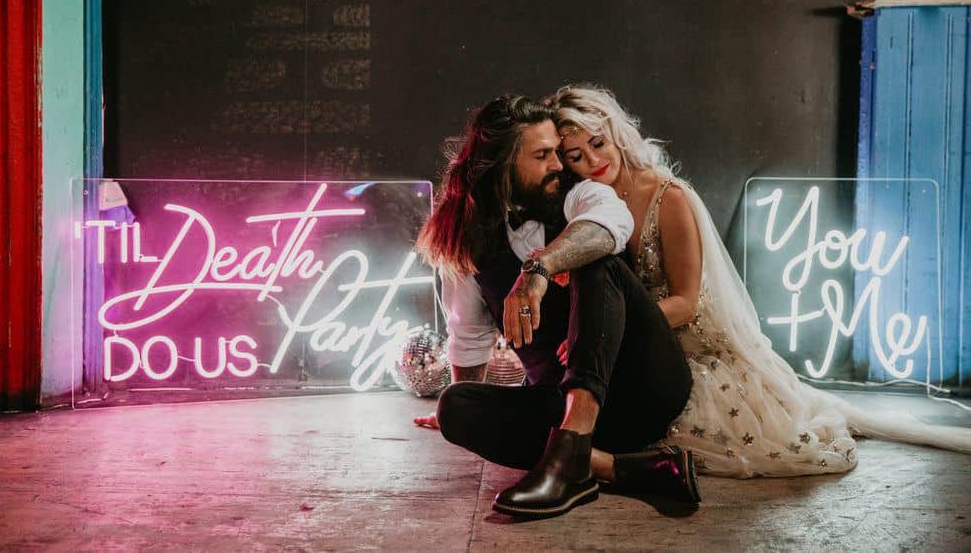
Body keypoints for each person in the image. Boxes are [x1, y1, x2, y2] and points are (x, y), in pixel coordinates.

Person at [546, 84, 971, 477]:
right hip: (641, 346)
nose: (593, 161)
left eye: (597, 143)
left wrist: (606, 335)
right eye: (575, 155)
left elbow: (687, 302)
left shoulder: (668, 197)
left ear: (615, 133)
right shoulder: (587, 202)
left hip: (690, 346)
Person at [414, 94, 701, 517]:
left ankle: (571, 455)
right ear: (504, 164)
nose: (558, 165)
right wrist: (475, 404)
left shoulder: (580, 195)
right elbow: (469, 338)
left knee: (594, 257)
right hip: (556, 400)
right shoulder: (468, 242)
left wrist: (539, 269)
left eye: (556, 153)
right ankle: (611, 467)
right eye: (543, 155)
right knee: (454, 405)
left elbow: (610, 226)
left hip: (643, 388)